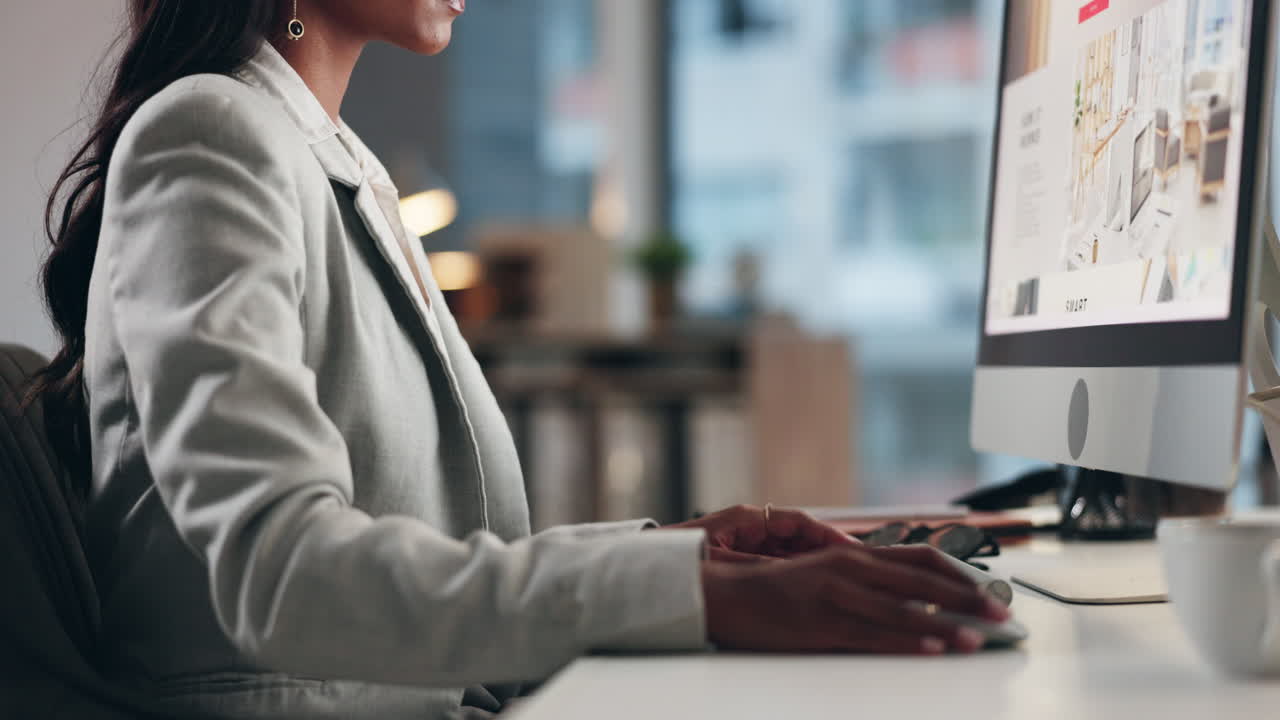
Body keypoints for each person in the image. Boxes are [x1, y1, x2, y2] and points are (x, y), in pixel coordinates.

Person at [30, 1, 1009, 718]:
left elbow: (445, 539)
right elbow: (283, 574)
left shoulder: (344, 166)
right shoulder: (207, 135)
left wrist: (683, 555)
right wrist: (695, 598)